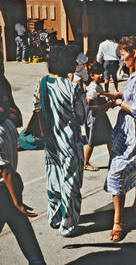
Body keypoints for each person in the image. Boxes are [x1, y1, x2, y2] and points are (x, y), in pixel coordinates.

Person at [102, 36, 136, 242]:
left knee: (116, 171)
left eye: (123, 55)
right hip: (131, 129)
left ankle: (118, 222)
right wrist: (118, 96)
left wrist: (118, 104)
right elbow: (134, 96)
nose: (121, 60)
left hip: (135, 131)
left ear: (133, 53)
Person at [33, 45, 88, 236]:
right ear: (66, 64)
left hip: (50, 143)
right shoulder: (73, 88)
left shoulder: (41, 83)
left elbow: (36, 107)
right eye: (73, 60)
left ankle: (54, 217)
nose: (76, 63)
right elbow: (81, 117)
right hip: (69, 143)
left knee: (53, 180)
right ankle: (68, 224)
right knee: (71, 183)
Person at [0, 62, 46, 264]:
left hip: (5, 188)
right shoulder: (9, 124)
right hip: (10, 188)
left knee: (19, 221)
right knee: (23, 228)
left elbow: (5, 171)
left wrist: (17, 202)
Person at [84, 62, 113, 171]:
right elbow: (88, 106)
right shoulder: (92, 89)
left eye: (101, 73)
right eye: (97, 74)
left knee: (110, 137)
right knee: (92, 141)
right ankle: (85, 163)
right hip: (95, 117)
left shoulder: (98, 86)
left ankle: (113, 159)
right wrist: (104, 106)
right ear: (91, 76)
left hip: (101, 116)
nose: (100, 75)